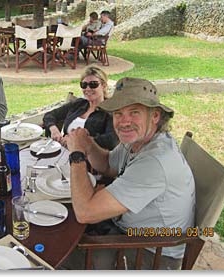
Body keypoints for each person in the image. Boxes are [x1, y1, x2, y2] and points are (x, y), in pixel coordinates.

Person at [63, 77, 196, 269]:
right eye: (118, 113)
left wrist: (77, 154)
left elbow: (85, 213)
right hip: (128, 232)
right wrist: (88, 145)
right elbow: (108, 164)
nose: (124, 122)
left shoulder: (154, 163)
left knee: (55, 254)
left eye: (134, 112)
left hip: (152, 252)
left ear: (155, 116)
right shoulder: (139, 139)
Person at [43, 66, 118, 150]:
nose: (88, 88)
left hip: (88, 158)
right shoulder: (78, 104)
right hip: (63, 152)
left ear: (103, 85)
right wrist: (54, 130)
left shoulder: (110, 111)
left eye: (93, 84)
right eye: (84, 85)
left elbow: (111, 140)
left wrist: (75, 141)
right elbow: (49, 115)